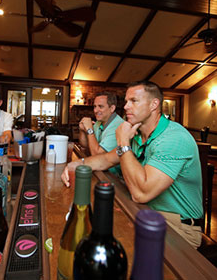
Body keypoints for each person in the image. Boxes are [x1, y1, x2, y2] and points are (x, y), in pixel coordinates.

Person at [62, 81, 203, 248]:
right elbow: (106, 159)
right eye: (126, 101)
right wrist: (77, 165)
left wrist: (123, 141)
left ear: (154, 104)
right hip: (145, 212)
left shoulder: (174, 138)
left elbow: (140, 193)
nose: (126, 107)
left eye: (134, 101)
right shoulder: (139, 135)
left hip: (179, 227)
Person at [78, 92, 124, 174]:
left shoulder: (118, 126)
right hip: (100, 171)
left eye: (101, 107)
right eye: (95, 106)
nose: (96, 110)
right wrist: (82, 130)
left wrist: (89, 129)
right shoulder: (99, 122)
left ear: (112, 108)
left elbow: (97, 155)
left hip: (115, 177)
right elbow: (85, 145)